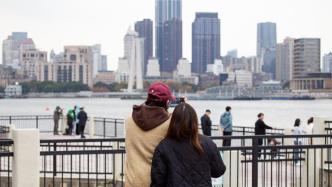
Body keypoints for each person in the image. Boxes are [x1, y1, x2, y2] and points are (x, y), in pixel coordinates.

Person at [151, 103, 226, 186]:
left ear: (173, 121)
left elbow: (157, 180)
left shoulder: (164, 146)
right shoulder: (208, 143)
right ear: (194, 121)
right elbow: (219, 171)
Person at [125, 82, 175, 187]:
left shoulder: (129, 121)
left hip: (132, 181)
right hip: (156, 182)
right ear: (167, 103)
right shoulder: (170, 123)